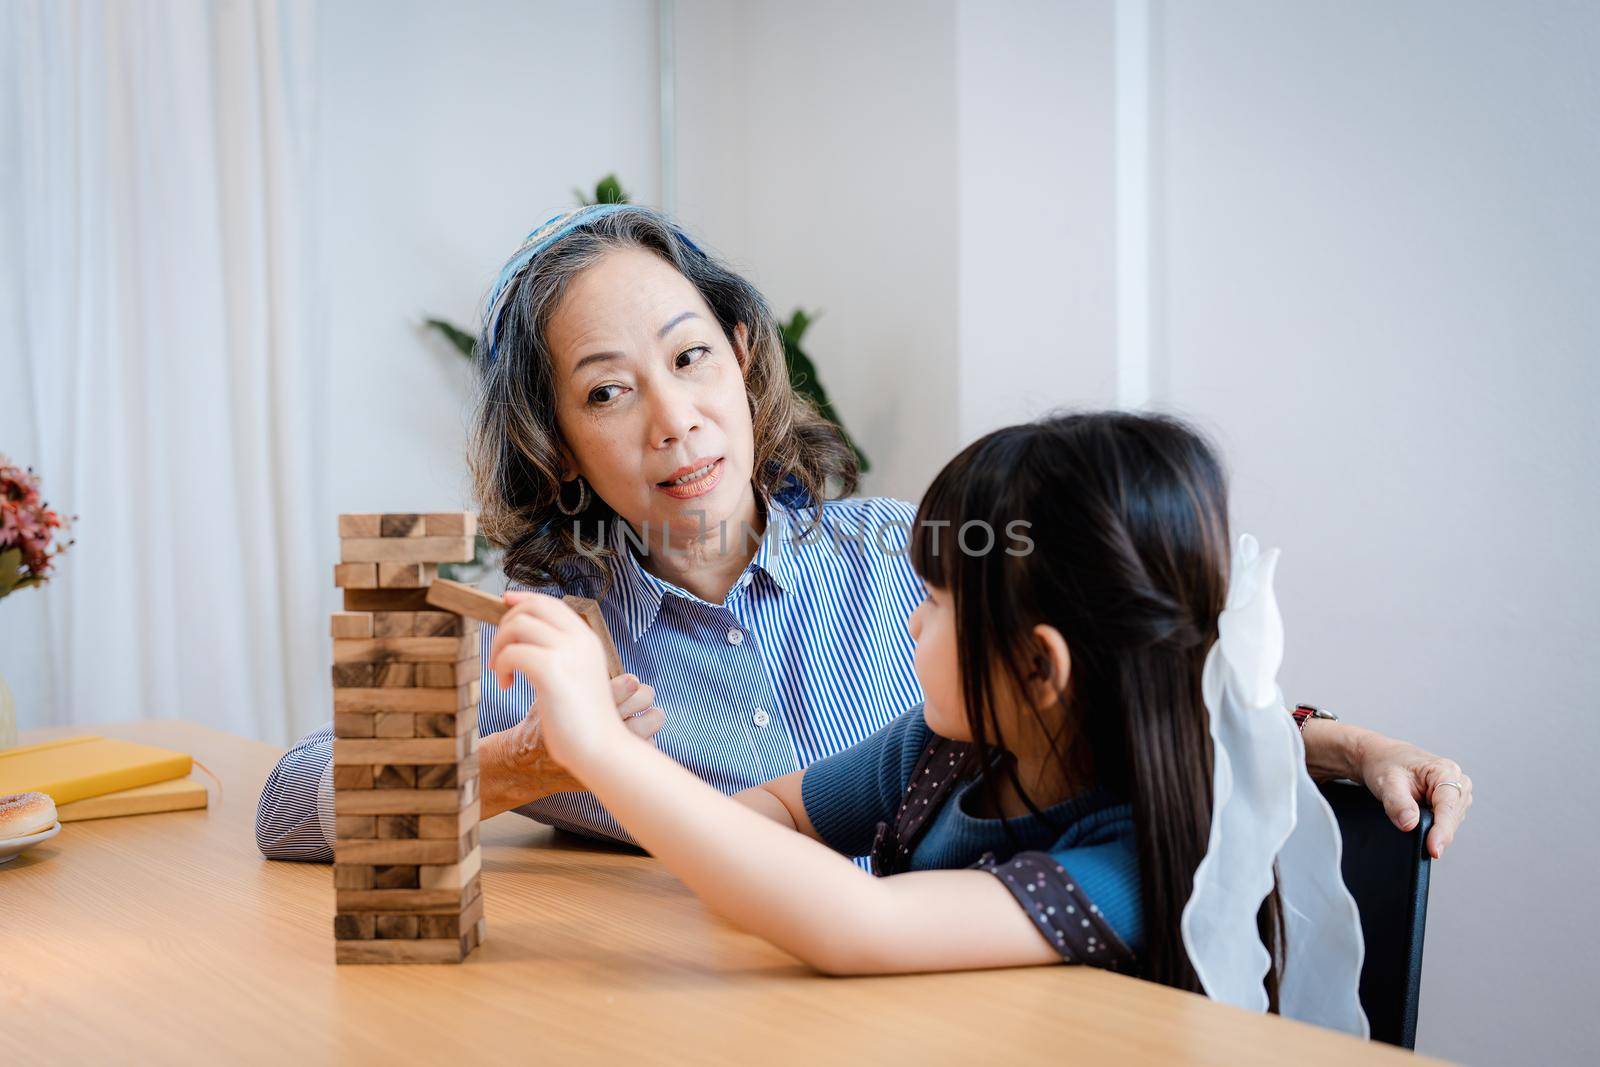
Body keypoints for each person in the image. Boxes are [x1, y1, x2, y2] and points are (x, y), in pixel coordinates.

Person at [255, 204, 1472, 865]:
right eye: (609, 391)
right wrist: (532, 759)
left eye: (688, 358)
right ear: (555, 441)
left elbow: (1129, 669)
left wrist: (1340, 742)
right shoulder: (534, 616)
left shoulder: (913, 551)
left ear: (740, 357)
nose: (675, 420)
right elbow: (289, 805)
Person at [485, 412, 1367, 1016]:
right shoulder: (946, 747)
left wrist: (599, 747)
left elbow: (857, 925)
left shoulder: (1131, 867)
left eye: (939, 600)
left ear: (1037, 663)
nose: (913, 614)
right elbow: (772, 809)